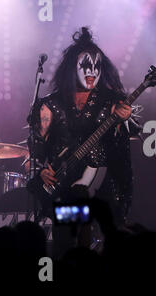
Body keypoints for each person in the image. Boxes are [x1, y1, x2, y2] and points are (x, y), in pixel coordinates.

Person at [27, 27, 134, 230]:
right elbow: (34, 152)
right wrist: (41, 172)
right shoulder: (51, 104)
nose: (92, 71)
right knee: (68, 236)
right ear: (72, 68)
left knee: (110, 236)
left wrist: (125, 117)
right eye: (85, 65)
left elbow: (129, 134)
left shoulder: (111, 101)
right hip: (64, 191)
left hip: (105, 192)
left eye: (97, 66)